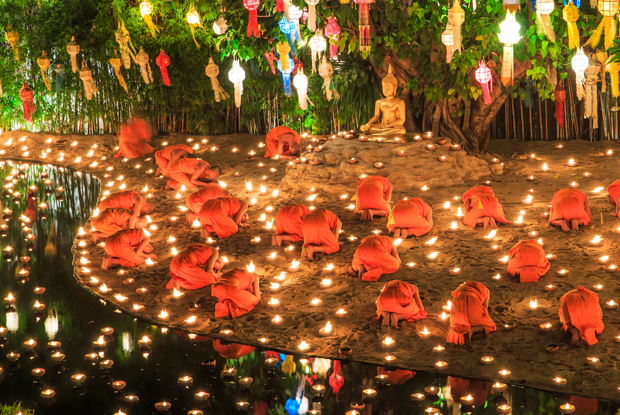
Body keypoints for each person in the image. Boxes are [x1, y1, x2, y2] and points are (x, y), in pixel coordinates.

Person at [359, 64, 406, 137]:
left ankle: (376, 135)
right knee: (365, 128)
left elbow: (402, 120)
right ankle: (381, 134)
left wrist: (390, 125)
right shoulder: (379, 102)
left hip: (393, 127)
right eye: (384, 88)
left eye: (388, 88)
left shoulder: (399, 102)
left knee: (402, 130)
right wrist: (369, 123)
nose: (386, 90)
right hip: (382, 126)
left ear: (394, 88)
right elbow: (376, 116)